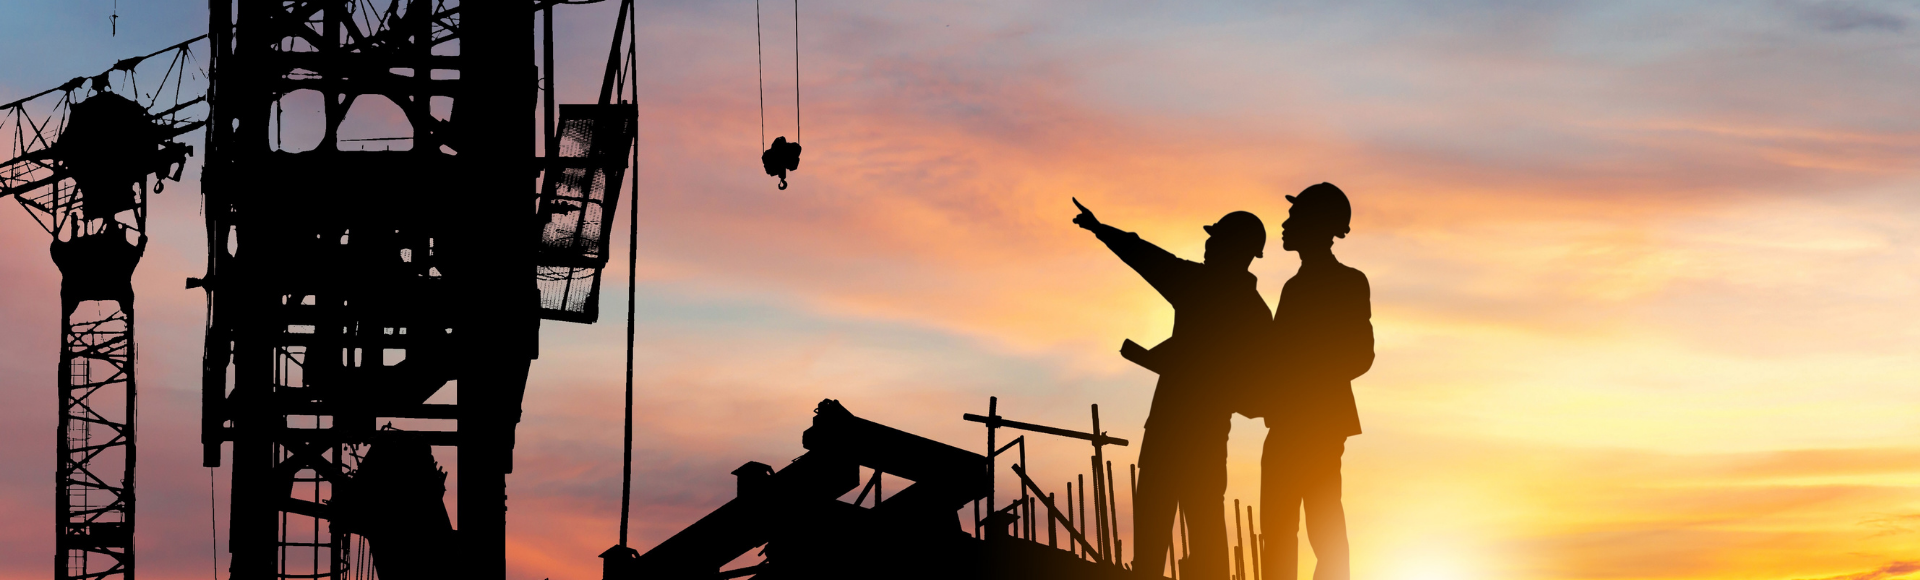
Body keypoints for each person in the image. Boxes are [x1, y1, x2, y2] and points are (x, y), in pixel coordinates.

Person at [1072, 198, 1271, 580]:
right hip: (1205, 436)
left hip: (1174, 431)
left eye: (1216, 240)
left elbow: (1147, 258)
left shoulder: (1201, 287)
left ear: (1235, 249)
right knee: (1204, 530)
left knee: (1159, 535)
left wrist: (1101, 229)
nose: (1208, 245)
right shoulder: (1257, 312)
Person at [1255, 183, 1374, 580]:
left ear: (1317, 224)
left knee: (1323, 528)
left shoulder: (1348, 282)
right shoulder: (1294, 286)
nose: (1286, 224)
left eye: (1295, 216)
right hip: (1287, 423)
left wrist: (1302, 378)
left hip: (1318, 425)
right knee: (1276, 531)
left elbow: (1361, 355)